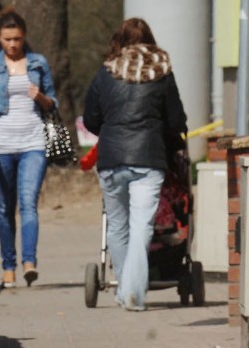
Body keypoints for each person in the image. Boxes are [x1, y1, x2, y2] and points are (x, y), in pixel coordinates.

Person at [83, 17, 187, 312]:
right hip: (148, 158)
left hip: (111, 159)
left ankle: (122, 289)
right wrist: (169, 142)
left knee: (117, 226)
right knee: (142, 225)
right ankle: (133, 293)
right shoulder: (162, 72)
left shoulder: (106, 73)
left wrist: (111, 129)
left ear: (121, 39)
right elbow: (176, 120)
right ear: (150, 40)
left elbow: (90, 118)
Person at [0, 7, 57, 289]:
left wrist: (41, 96)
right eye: (8, 39)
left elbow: (53, 104)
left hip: (33, 143)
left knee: (29, 205)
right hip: (3, 147)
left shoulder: (38, 64)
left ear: (24, 38)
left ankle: (29, 264)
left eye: (18, 39)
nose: (13, 44)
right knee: (7, 208)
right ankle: (8, 266)